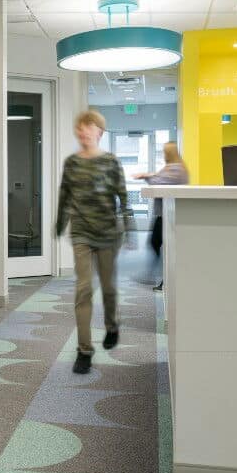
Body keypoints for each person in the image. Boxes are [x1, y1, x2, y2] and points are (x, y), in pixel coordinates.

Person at [56, 110, 135, 374]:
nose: (82, 132)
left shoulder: (111, 162)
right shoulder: (72, 163)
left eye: (88, 128)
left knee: (109, 288)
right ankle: (84, 350)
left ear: (99, 132)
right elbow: (64, 196)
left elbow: (123, 197)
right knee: (83, 289)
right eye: (79, 128)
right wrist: (59, 223)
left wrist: (130, 228)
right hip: (81, 233)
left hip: (108, 234)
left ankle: (112, 324)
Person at [134, 142, 189, 291]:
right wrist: (150, 175)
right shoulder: (177, 167)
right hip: (165, 213)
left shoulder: (176, 169)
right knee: (158, 245)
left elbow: (158, 182)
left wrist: (146, 176)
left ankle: (162, 278)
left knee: (158, 244)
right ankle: (161, 278)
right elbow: (160, 177)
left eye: (165, 152)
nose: (163, 155)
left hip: (167, 215)